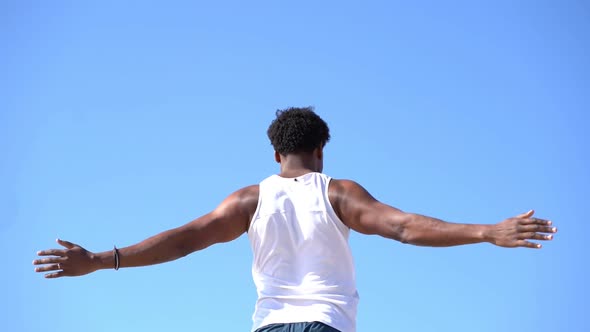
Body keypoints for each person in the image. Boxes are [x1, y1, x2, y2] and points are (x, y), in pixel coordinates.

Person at [33, 107, 557, 332]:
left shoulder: (248, 200)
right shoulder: (337, 192)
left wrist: (103, 261)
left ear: (275, 153)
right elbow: (401, 226)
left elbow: (185, 241)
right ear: (320, 150)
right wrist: (486, 231)